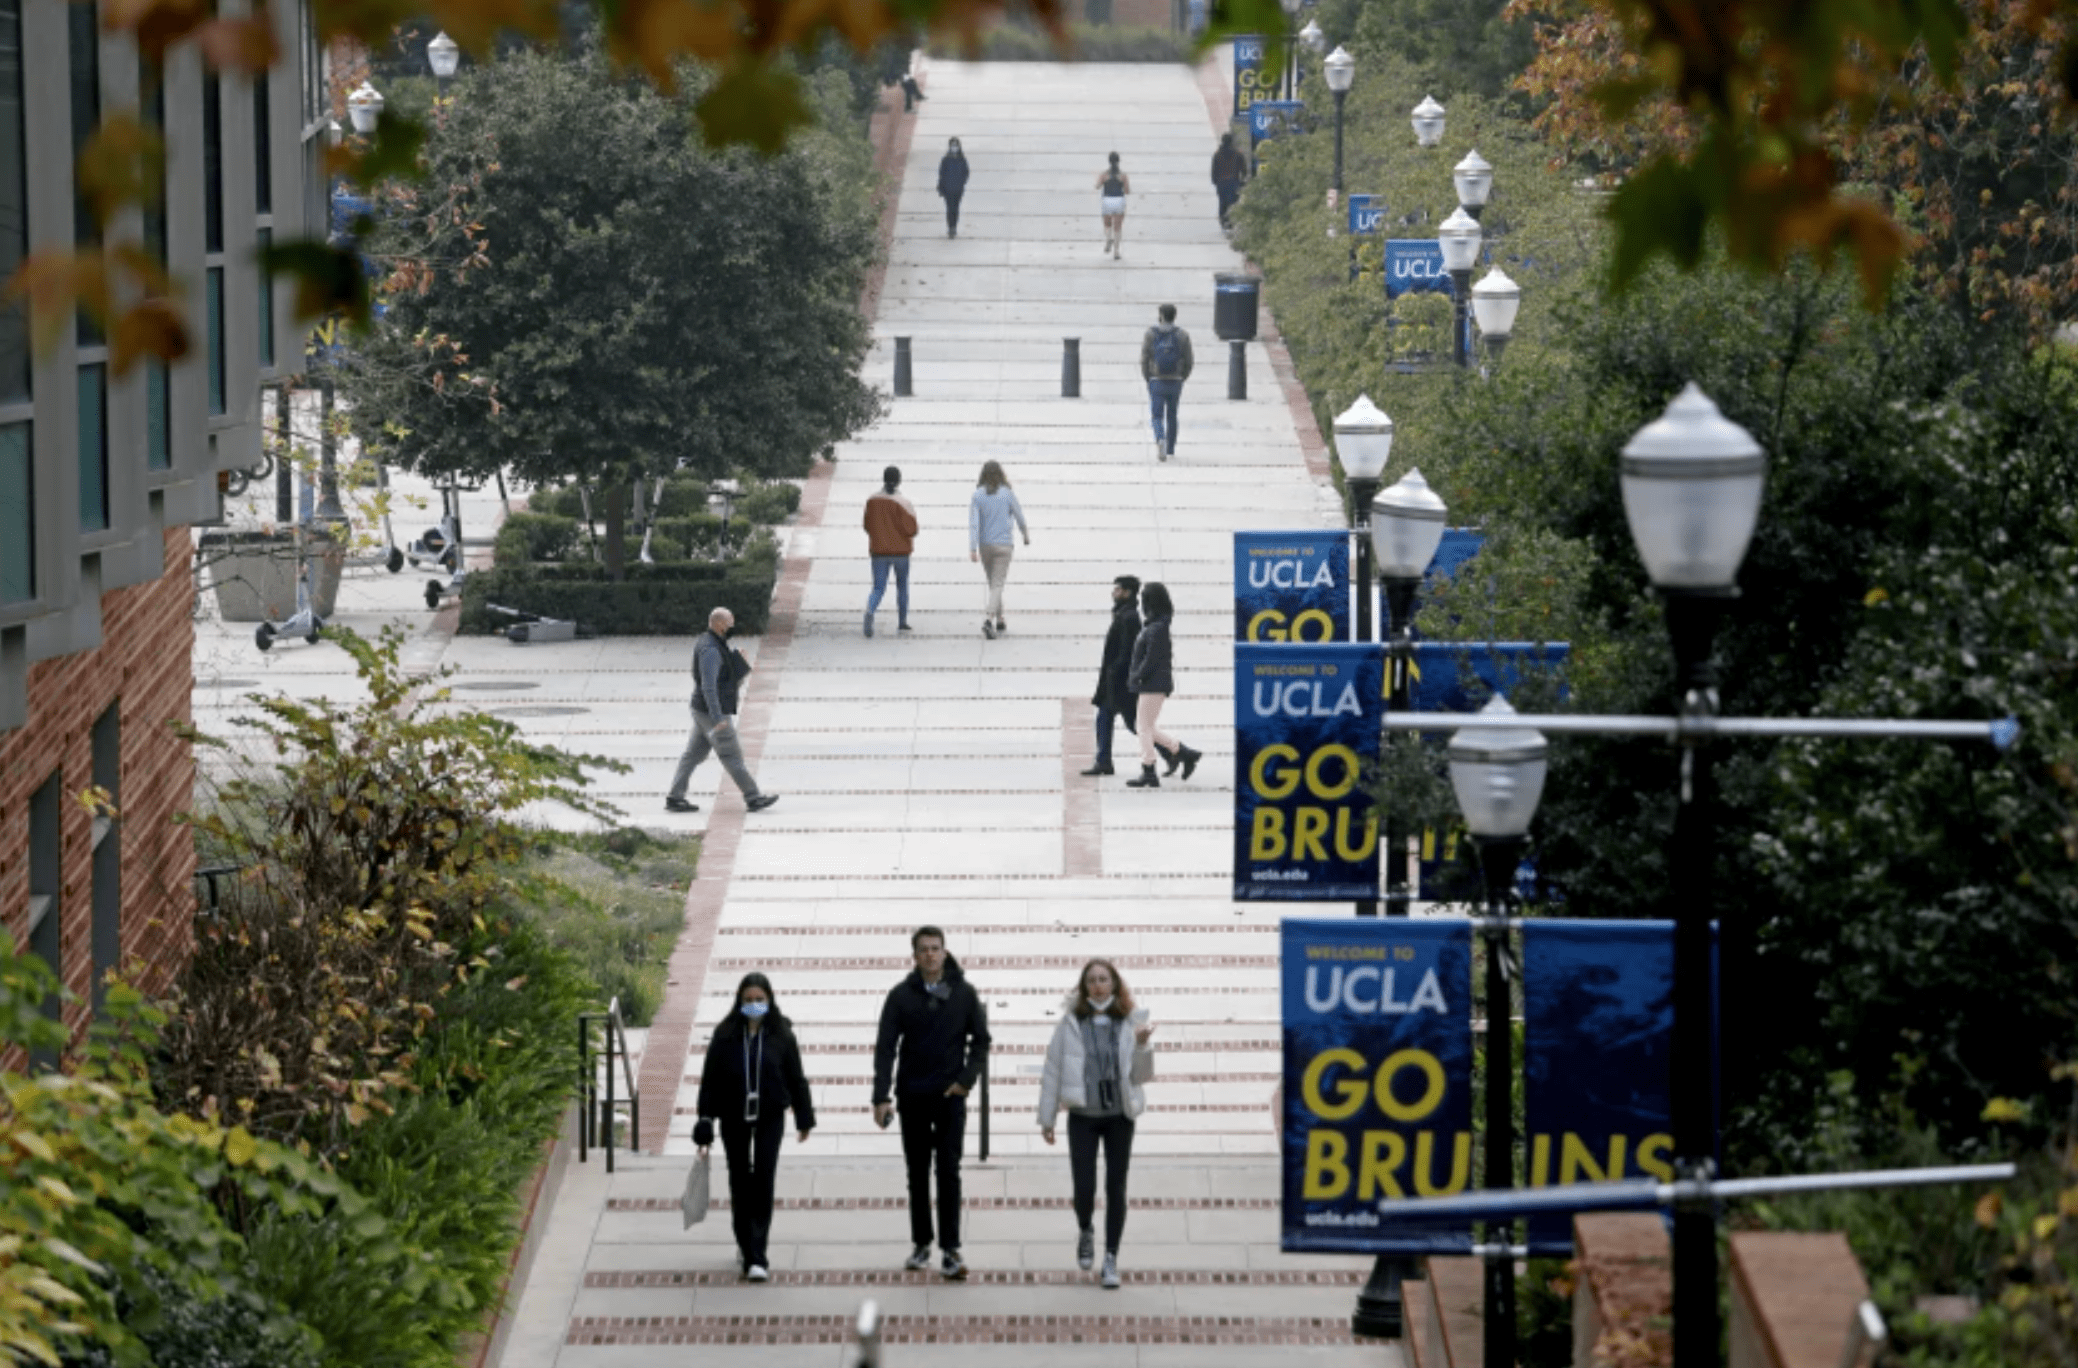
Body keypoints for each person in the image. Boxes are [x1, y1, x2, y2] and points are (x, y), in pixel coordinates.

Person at [873, 926, 992, 1280]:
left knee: (949, 1173)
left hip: (949, 1099)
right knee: (918, 1174)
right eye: (923, 949)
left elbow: (982, 1042)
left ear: (944, 952)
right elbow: (885, 1048)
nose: (929, 954)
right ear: (914, 955)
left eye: (935, 948)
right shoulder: (900, 996)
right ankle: (922, 1243)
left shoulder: (963, 993)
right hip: (912, 1098)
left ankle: (951, 1250)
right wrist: (881, 1097)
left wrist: (966, 1081)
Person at [1037, 959, 1155, 1289]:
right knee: (1084, 1186)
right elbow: (1053, 1070)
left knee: (1116, 1186)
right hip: (1083, 1116)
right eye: (1092, 980)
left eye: (1104, 979)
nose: (1098, 985)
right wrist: (1047, 1117)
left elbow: (1142, 1076)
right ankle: (1086, 1228)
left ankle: (1111, 1257)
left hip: (1119, 1116)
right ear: (1084, 986)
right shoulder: (1071, 1023)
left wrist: (1143, 1045)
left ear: (1115, 985)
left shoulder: (1132, 1022)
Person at [692, 973, 815, 1282]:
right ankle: (745, 1242)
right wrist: (705, 1120)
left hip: (769, 1116)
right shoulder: (725, 1035)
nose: (754, 1005)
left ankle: (756, 1255)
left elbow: (796, 1077)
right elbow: (710, 1081)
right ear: (739, 1002)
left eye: (759, 1000)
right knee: (739, 1179)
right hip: (733, 1116)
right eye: (748, 1000)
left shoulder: (782, 1035)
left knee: (762, 1178)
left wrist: (804, 1117)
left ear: (769, 1000)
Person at [665, 606, 780, 813]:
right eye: (730, 623)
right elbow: (709, 686)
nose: (732, 626)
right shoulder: (710, 650)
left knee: (692, 755)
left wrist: (738, 664)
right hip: (712, 712)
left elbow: (723, 679)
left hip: (701, 710)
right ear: (718, 624)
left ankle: (675, 797)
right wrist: (718, 717)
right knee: (731, 755)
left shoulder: (712, 642)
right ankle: (753, 797)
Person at [1125, 581, 1200, 788]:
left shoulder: (1158, 627)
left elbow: (1152, 659)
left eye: (1144, 598)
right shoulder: (1156, 624)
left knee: (1143, 728)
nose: (1141, 602)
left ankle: (1149, 771)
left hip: (1153, 684)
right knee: (1146, 727)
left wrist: (1137, 676)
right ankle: (1184, 753)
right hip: (1152, 683)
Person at [1082, 575, 1140, 777]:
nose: (1113, 593)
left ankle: (1175, 751)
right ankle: (1104, 761)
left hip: (1120, 681)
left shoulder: (1129, 617)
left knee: (1136, 725)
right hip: (1116, 679)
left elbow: (1128, 650)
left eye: (1117, 589)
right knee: (1106, 718)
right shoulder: (1123, 614)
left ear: (1127, 592)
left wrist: (1114, 670)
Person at [967, 460, 1028, 640]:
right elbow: (1019, 515)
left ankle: (1000, 619)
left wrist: (972, 547)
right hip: (1004, 545)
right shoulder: (1007, 493)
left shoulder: (978, 495)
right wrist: (1025, 534)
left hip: (985, 546)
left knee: (994, 583)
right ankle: (989, 619)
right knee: (998, 584)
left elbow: (974, 524)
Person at [863, 465, 918, 638]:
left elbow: (867, 525)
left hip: (879, 552)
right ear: (899, 480)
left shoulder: (872, 501)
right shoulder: (904, 503)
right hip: (901, 552)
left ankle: (870, 610)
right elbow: (912, 529)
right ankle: (902, 622)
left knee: (878, 587)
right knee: (902, 586)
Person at [1140, 304, 1195, 462]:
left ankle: (1160, 438)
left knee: (1157, 416)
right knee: (1172, 414)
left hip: (1156, 380)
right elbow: (1189, 361)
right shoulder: (1182, 335)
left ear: (1161, 315)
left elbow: (1144, 359)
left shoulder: (1151, 334)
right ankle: (1170, 448)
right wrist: (1182, 377)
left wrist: (1148, 378)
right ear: (1174, 316)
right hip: (1175, 381)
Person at [1095, 152, 1130, 258]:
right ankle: (1116, 252)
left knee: (1107, 224)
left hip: (1107, 201)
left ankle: (1108, 239)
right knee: (1118, 227)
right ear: (1118, 161)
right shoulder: (1123, 175)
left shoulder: (1104, 174)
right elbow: (1127, 191)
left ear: (1109, 162)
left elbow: (1097, 186)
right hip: (1119, 201)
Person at [1211, 133, 1248, 230]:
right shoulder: (1238, 154)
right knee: (1233, 203)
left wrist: (1216, 182)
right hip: (1233, 182)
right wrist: (1242, 182)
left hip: (1222, 183)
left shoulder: (1217, 154)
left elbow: (1214, 171)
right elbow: (1244, 170)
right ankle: (1231, 222)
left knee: (1222, 203)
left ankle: (1223, 222)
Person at [937, 138, 969, 238]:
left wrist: (961, 183)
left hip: (958, 190)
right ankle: (951, 227)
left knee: (956, 208)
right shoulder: (946, 160)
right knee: (950, 208)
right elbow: (941, 174)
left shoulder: (962, 160)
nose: (954, 148)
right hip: (948, 190)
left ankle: (954, 226)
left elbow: (966, 173)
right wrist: (941, 187)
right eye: (952, 145)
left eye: (956, 145)